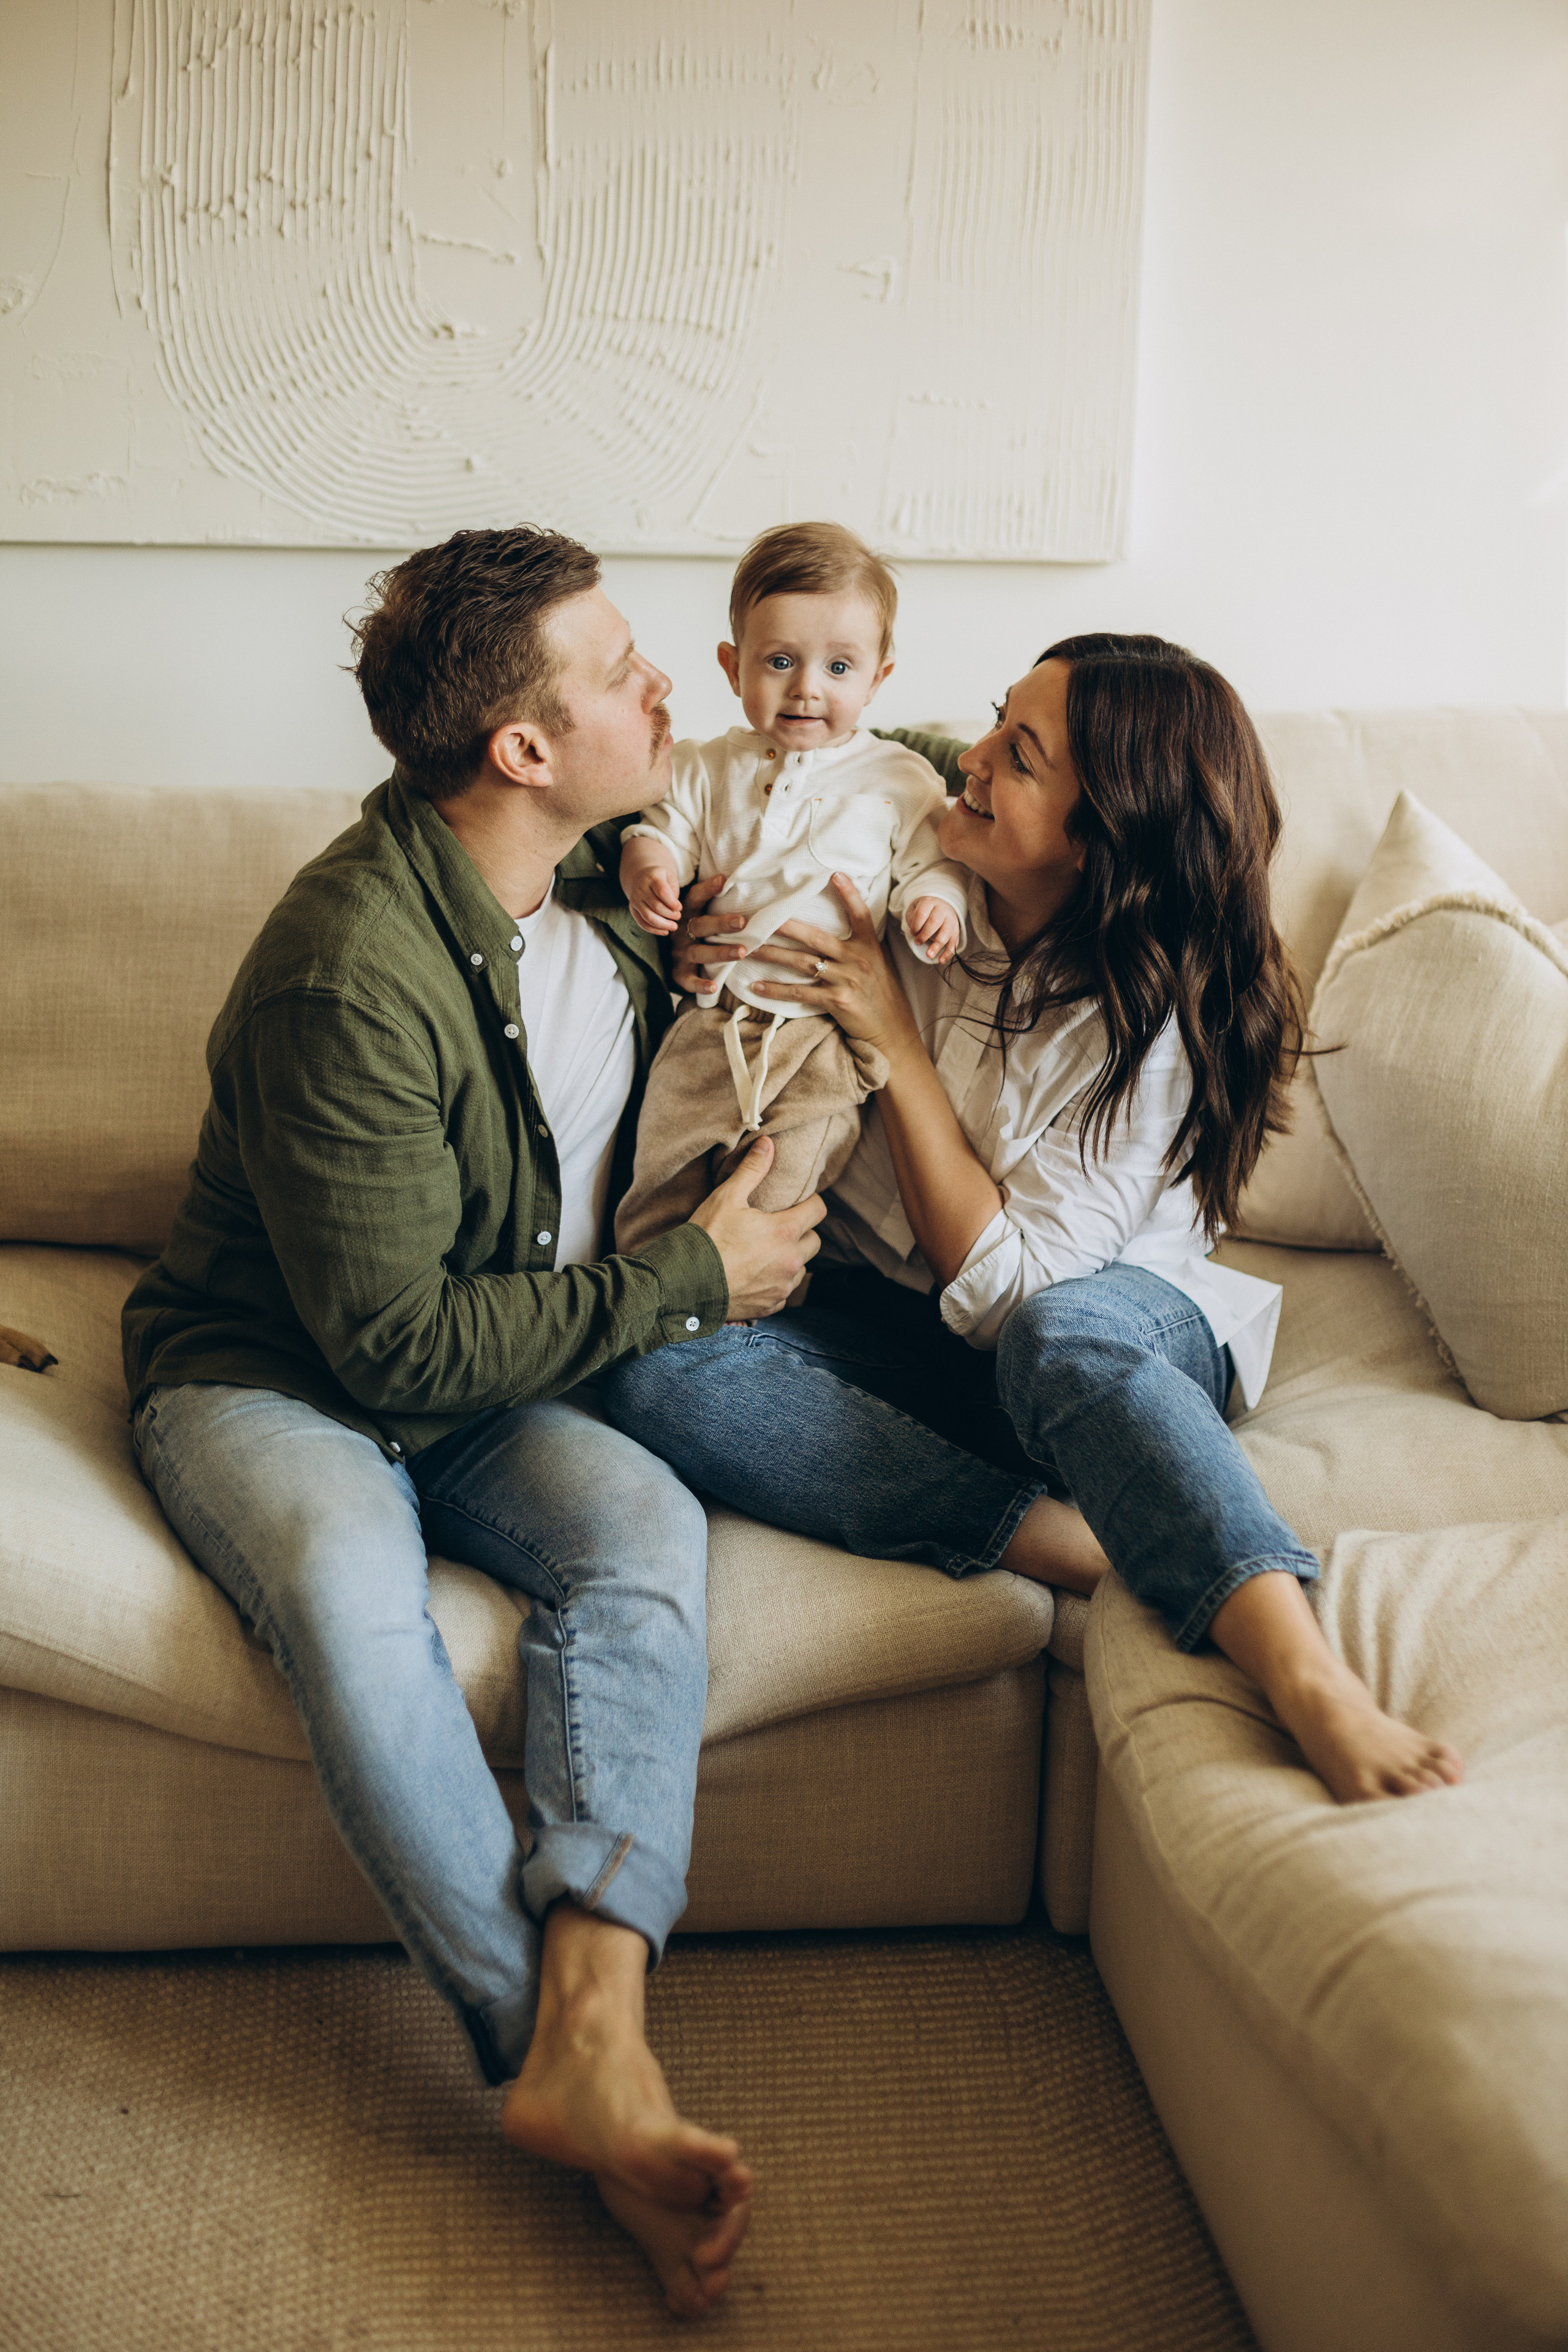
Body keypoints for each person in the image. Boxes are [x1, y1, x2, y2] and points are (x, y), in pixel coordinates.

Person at [119, 526, 831, 2318]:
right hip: (283, 1374)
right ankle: (558, 2059)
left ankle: (601, 2003)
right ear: (521, 749)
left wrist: (687, 886)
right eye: (617, 671)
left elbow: (813, 820)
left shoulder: (585, 870)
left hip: (476, 1367)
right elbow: (393, 1347)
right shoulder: (344, 966)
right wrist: (692, 1277)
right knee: (354, 1592)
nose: (668, 684)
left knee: (644, 1529)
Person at [601, 635, 1466, 1806]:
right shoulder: (911, 881)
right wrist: (696, 934)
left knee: (1061, 1337)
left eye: (1021, 753)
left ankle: (1299, 1662)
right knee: (657, 1366)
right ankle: (1071, 1541)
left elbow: (1016, 1297)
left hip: (1104, 1338)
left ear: (1105, 827)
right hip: (907, 1336)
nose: (973, 759)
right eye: (995, 722)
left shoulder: (1151, 1011)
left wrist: (893, 1045)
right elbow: (800, 780)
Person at [613, 521, 969, 1254]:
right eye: (779, 661)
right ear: (732, 666)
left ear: (879, 678)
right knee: (662, 1178)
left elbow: (932, 862)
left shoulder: (900, 778)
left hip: (822, 1038)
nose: (807, 688)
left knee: (780, 1187)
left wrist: (937, 904)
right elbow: (658, 830)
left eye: (839, 668)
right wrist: (648, 869)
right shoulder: (703, 766)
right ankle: (643, 1301)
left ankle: (755, 1317)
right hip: (710, 1021)